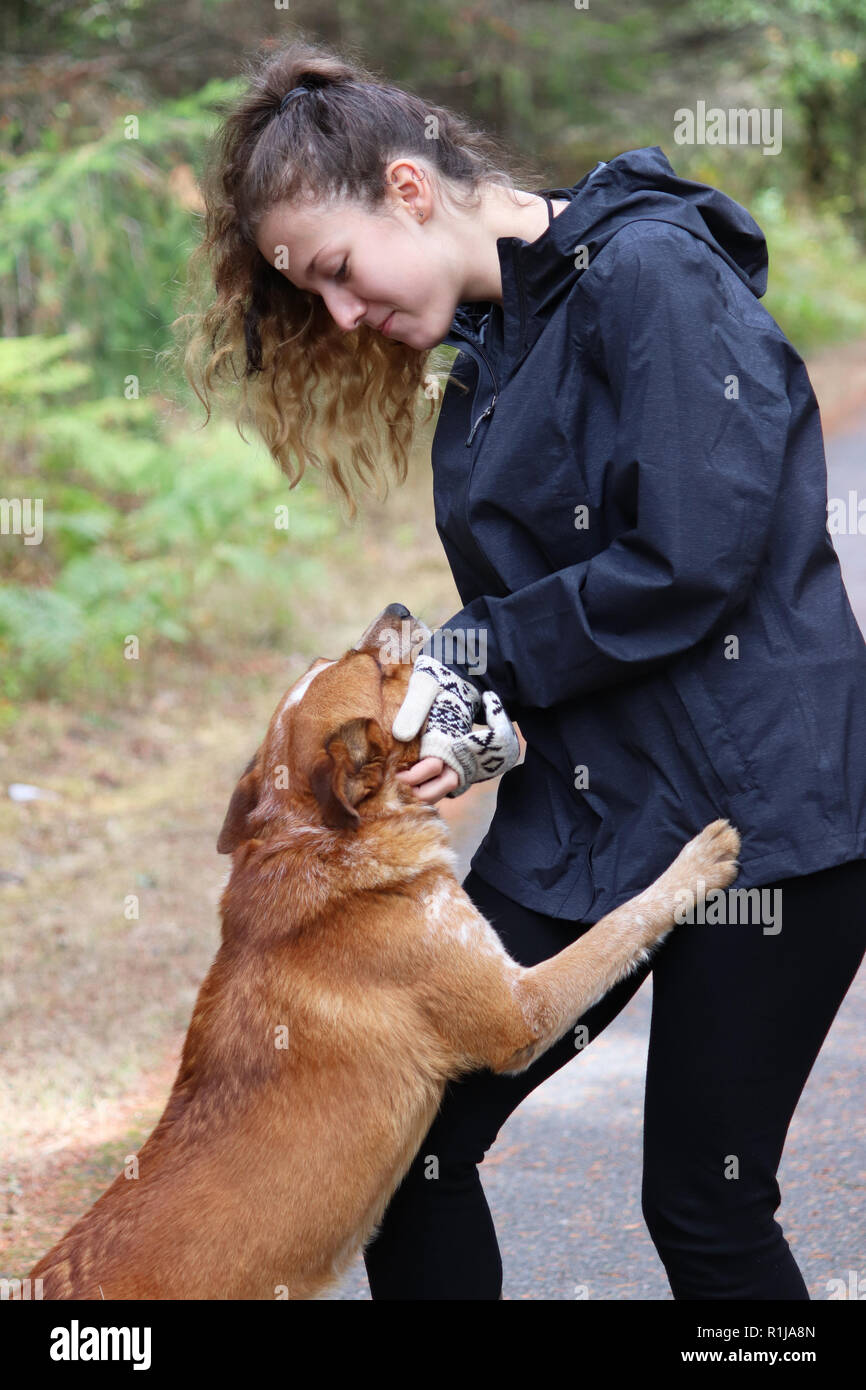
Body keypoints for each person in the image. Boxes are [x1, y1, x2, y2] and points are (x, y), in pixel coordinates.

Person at [181, 39, 866, 1300]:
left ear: (406, 187)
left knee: (704, 1209)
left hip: (761, 815)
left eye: (336, 272)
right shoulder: (485, 358)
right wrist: (471, 721)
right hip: (590, 818)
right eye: (310, 298)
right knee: (410, 1162)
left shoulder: (651, 275)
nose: (340, 316)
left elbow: (688, 560)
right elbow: (537, 612)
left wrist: (472, 651)